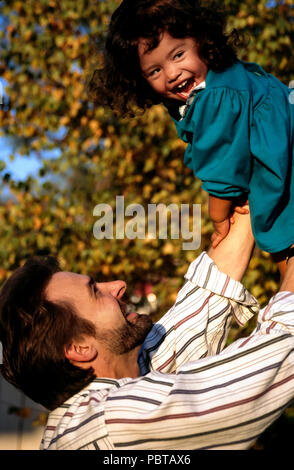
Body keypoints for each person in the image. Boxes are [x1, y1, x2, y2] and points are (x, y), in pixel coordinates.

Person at [1, 212, 294, 450]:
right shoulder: (109, 423)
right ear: (79, 347)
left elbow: (208, 297)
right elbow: (275, 359)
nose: (117, 285)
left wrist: (244, 192)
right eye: (95, 291)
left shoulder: (133, 373)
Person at [89, 0, 294, 277]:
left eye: (177, 55)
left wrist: (218, 219)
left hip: (286, 160)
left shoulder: (215, 97)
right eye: (155, 71)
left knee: (284, 244)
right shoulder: (217, 78)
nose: (172, 74)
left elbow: (223, 171)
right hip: (282, 143)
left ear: (199, 39)